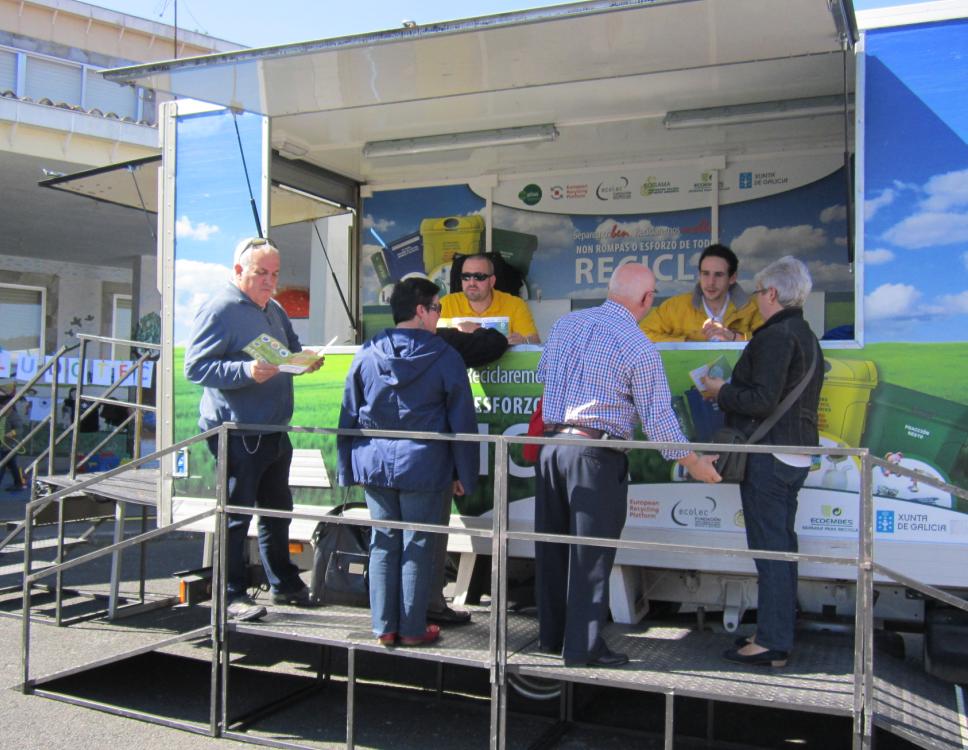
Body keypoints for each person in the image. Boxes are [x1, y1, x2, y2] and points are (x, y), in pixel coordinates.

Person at [536, 263, 721, 668]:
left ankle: (550, 638)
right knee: (590, 558)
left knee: (552, 551)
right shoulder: (637, 345)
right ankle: (581, 648)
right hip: (595, 456)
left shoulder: (566, 325)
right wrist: (693, 463)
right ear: (646, 299)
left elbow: (544, 374)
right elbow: (658, 420)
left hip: (550, 448)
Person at [184, 237, 324, 622]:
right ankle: (230, 593)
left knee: (279, 511)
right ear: (238, 271)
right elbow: (195, 368)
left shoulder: (274, 308)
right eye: (261, 272)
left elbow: (291, 349)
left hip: (274, 429)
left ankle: (284, 583)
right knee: (236, 514)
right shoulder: (221, 308)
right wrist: (244, 371)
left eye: (275, 274)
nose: (269, 281)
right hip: (238, 431)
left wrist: (306, 361)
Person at [337, 277, 478, 647]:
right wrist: (464, 473)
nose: (438, 317)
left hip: (375, 464)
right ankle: (413, 629)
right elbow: (463, 420)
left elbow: (348, 413)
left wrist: (345, 465)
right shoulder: (445, 355)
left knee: (383, 543)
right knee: (417, 544)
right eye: (437, 308)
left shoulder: (368, 351)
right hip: (425, 466)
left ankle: (384, 627)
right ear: (420, 311)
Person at [702, 255, 824, 668]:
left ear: (771, 293)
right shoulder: (805, 334)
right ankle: (776, 631)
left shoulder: (774, 336)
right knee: (782, 548)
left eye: (757, 292)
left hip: (769, 456)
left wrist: (720, 391)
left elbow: (760, 400)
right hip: (794, 454)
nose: (755, 300)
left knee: (770, 549)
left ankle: (772, 641)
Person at [641, 244, 763, 342]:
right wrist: (687, 344)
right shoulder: (675, 306)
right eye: (705, 273)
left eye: (718, 275)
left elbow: (771, 341)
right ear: (699, 275)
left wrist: (735, 338)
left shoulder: (753, 308)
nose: (711, 282)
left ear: (732, 278)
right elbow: (642, 333)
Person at [440, 254, 540, 344]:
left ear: (492, 281)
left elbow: (535, 342)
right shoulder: (446, 304)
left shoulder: (515, 304)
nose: (471, 283)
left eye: (479, 277)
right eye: (466, 277)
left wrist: (524, 341)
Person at [0, 388, 25, 491]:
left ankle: (19, 483)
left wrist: (12, 433)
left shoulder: (13, 415)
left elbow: (19, 429)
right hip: (2, 445)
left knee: (3, 465)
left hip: (9, 445)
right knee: (11, 466)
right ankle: (19, 483)